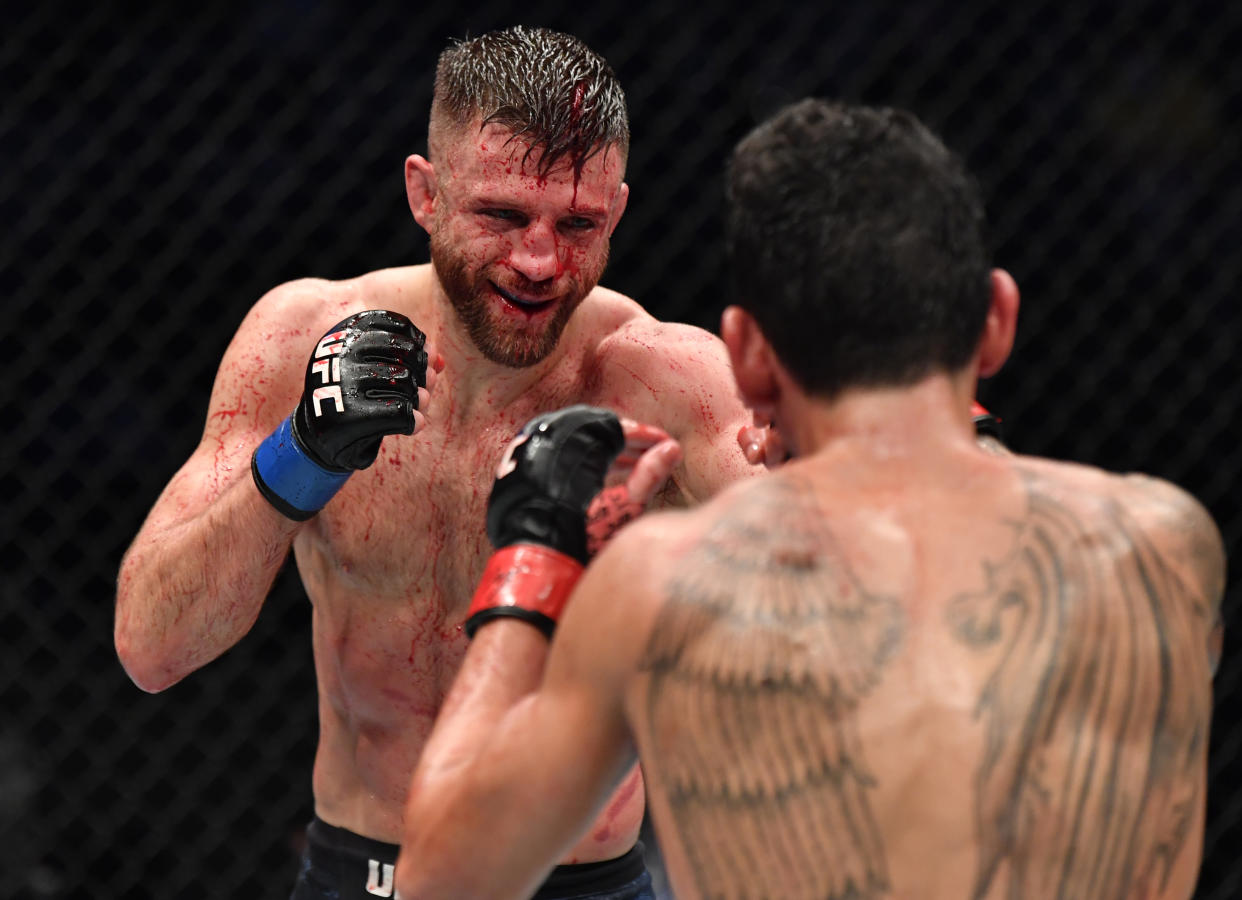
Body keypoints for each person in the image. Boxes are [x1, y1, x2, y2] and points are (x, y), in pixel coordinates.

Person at [394, 99, 1226, 900]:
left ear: (748, 355)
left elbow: (445, 879)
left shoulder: (664, 584)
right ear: (997, 319)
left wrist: (534, 554)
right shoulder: (1165, 546)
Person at [114, 26, 769, 900]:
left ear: (614, 210)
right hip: (360, 869)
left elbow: (842, 599)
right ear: (426, 193)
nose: (538, 260)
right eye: (500, 215)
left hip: (578, 881)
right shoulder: (296, 336)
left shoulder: (670, 383)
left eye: (575, 224)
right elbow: (151, 647)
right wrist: (301, 456)